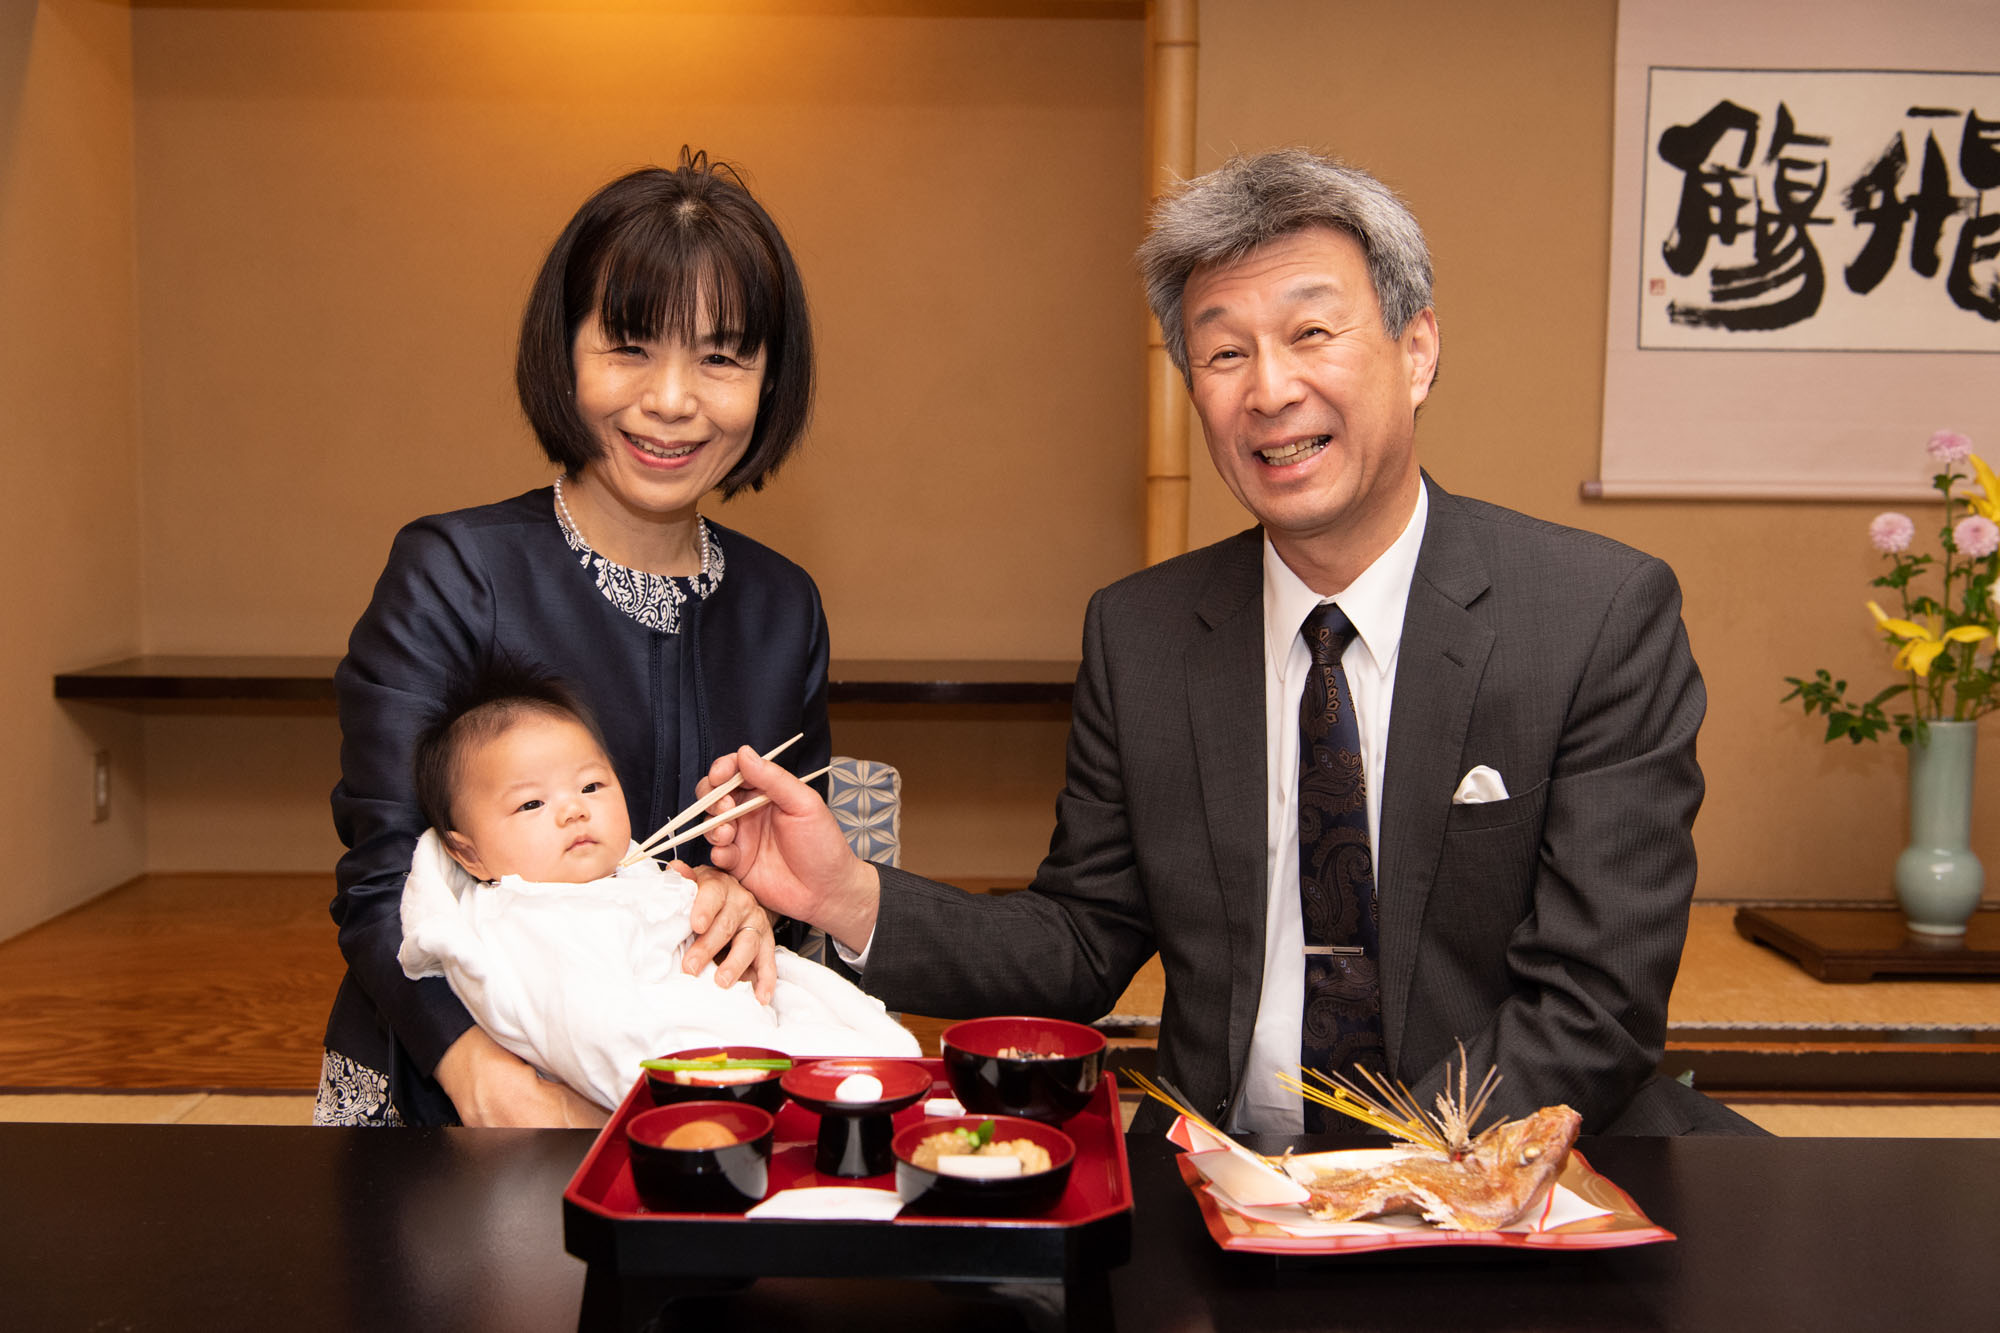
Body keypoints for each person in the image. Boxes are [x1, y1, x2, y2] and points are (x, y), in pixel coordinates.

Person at [696, 148, 1761, 1137]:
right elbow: (1078, 942)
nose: (1267, 389)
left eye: (1309, 333)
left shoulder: (1590, 616)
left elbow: (1593, 1005)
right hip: (1216, 1181)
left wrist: (1359, 1181)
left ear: (1416, 349)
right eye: (1220, 351)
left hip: (1483, 1184)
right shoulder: (1144, 633)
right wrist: (846, 894)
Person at [319, 150, 827, 1128]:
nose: (672, 399)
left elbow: (795, 874)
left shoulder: (782, 605)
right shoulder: (453, 571)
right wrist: (472, 1069)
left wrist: (755, 907)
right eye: (628, 347)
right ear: (564, 351)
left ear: (769, 380)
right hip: (455, 1079)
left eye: (720, 356)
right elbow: (382, 880)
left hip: (694, 1092)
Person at [393, 665, 917, 1112]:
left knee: (860, 1049)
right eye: (532, 804)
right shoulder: (518, 920)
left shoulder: (636, 871)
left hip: (744, 1036)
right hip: (682, 1082)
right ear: (468, 853)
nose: (574, 808)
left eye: (592, 785)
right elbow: (588, 1034)